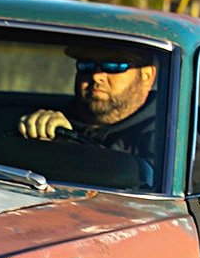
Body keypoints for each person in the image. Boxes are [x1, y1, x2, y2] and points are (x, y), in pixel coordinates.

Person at [18, 46, 168, 179]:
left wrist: (70, 149)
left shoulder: (167, 138)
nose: (96, 76)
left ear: (147, 75)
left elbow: (142, 188)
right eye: (86, 65)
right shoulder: (53, 121)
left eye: (114, 65)